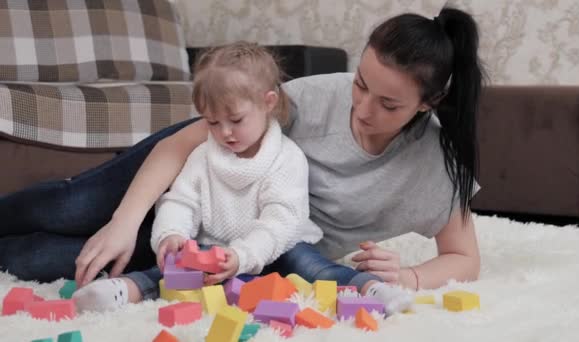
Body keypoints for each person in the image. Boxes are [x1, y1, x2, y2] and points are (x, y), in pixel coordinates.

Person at [0, 6, 483, 308]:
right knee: (74, 207)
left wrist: (414, 276)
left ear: (428, 103)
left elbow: (463, 257)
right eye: (360, 83)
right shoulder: (316, 97)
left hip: (240, 241)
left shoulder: (435, 165)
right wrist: (125, 221)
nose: (361, 107)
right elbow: (181, 145)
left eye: (389, 104)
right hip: (200, 163)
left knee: (55, 259)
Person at [70, 42, 323, 311]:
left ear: (268, 102)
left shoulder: (287, 158)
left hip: (276, 250)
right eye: (212, 122)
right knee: (181, 269)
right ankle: (126, 289)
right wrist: (172, 234)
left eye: (236, 120)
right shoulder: (203, 155)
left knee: (308, 263)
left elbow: (280, 222)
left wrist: (241, 255)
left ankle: (364, 285)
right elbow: (180, 201)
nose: (225, 132)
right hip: (215, 253)